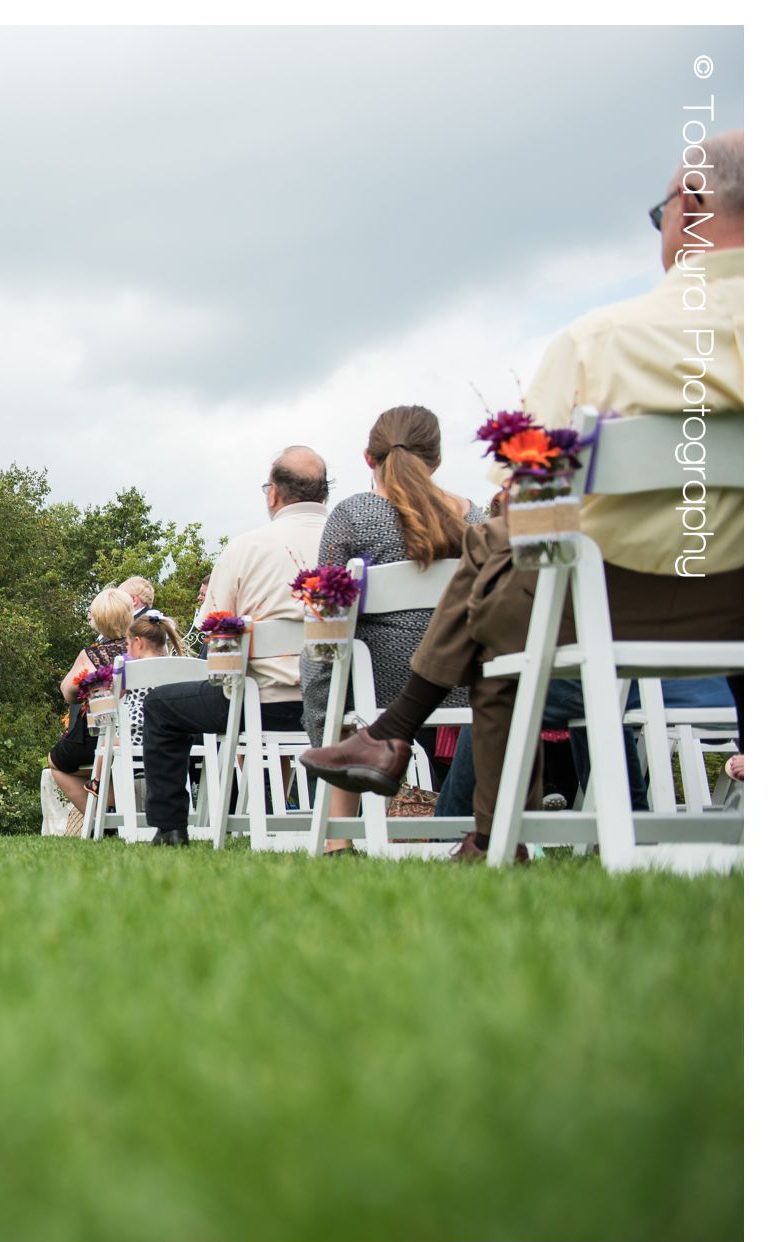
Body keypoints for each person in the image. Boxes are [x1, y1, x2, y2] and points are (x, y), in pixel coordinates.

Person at [303, 132, 744, 862]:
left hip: (605, 602)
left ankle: (473, 820)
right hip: (741, 599)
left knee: (499, 577)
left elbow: (521, 499)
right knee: (491, 551)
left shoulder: (602, 341)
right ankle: (419, 764)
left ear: (690, 206)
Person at [300, 406, 485, 853]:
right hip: (462, 681)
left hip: (374, 686)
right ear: (436, 460)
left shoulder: (352, 514)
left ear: (369, 458)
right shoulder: (475, 519)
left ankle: (338, 840)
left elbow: (328, 617)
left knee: (325, 653)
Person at [141, 447, 330, 846]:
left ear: (273, 495)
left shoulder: (246, 547)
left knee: (159, 705)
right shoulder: (349, 540)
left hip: (259, 702)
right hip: (338, 703)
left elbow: (216, 631)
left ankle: (171, 828)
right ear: (323, 493)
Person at [47, 588, 136, 825]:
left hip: (104, 735)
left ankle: (101, 819)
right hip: (151, 735)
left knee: (56, 762)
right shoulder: (149, 649)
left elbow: (68, 693)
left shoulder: (91, 655)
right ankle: (114, 804)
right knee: (109, 757)